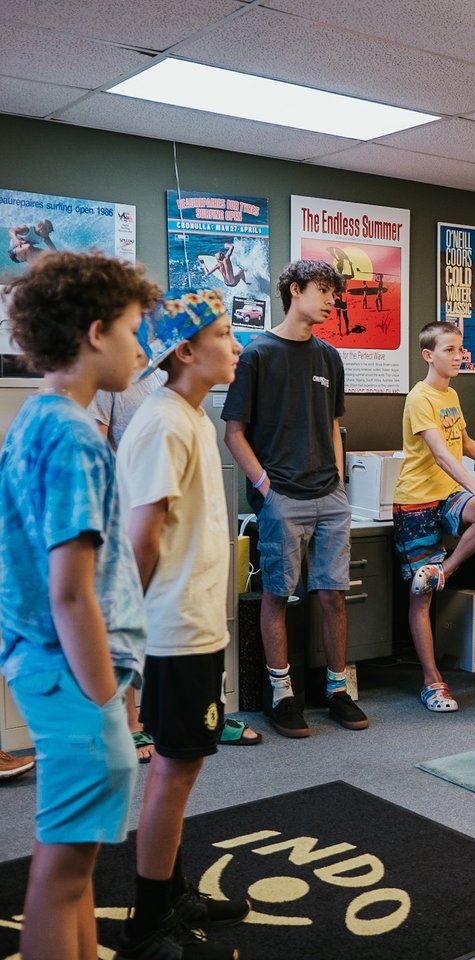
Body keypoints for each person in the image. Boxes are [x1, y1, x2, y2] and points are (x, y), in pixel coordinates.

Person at [0, 251, 158, 960]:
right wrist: (104, 696)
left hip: (55, 668)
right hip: (71, 676)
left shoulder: (36, 421)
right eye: (132, 329)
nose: (140, 347)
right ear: (96, 333)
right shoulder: (71, 435)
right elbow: (70, 591)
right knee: (64, 875)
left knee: (76, 866)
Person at [116, 289, 247, 959]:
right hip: (172, 631)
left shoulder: (192, 415)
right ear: (186, 351)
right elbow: (143, 539)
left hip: (197, 625)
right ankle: (148, 920)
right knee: (173, 769)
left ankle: (171, 889)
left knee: (185, 766)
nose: (236, 345)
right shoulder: (164, 421)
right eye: (224, 334)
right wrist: (126, 637)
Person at [223, 259, 369, 739]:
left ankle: (336, 690)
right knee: (277, 595)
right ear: (295, 290)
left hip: (330, 495)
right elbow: (234, 433)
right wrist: (266, 489)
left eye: (335, 293)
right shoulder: (258, 354)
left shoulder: (329, 357)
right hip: (281, 497)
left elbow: (332, 424)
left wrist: (339, 481)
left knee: (333, 595)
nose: (332, 300)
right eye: (324, 290)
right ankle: (282, 695)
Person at [91, 361, 260, 761]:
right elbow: (100, 452)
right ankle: (131, 722)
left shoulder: (169, 389)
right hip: (132, 517)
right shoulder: (115, 386)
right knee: (133, 630)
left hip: (183, 538)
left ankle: (208, 713)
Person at [393, 320, 475, 712]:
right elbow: (440, 453)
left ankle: (446, 570)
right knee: (421, 595)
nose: (458, 356)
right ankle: (432, 681)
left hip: (446, 496)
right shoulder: (420, 398)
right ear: (428, 355)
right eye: (449, 350)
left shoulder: (450, 394)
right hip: (416, 502)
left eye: (460, 349)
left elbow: (463, 443)